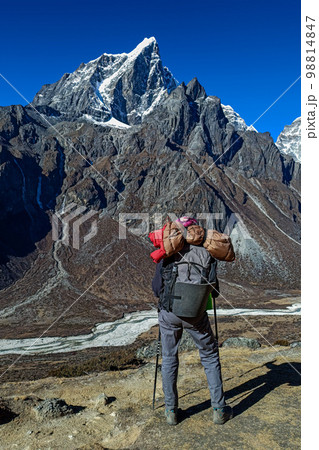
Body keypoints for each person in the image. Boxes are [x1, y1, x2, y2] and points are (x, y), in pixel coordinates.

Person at [151, 218, 233, 426]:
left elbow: (156, 287)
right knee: (210, 356)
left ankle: (171, 411)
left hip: (169, 314)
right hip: (196, 315)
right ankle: (219, 409)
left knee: (169, 358)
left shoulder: (169, 252)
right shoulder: (208, 253)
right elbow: (214, 290)